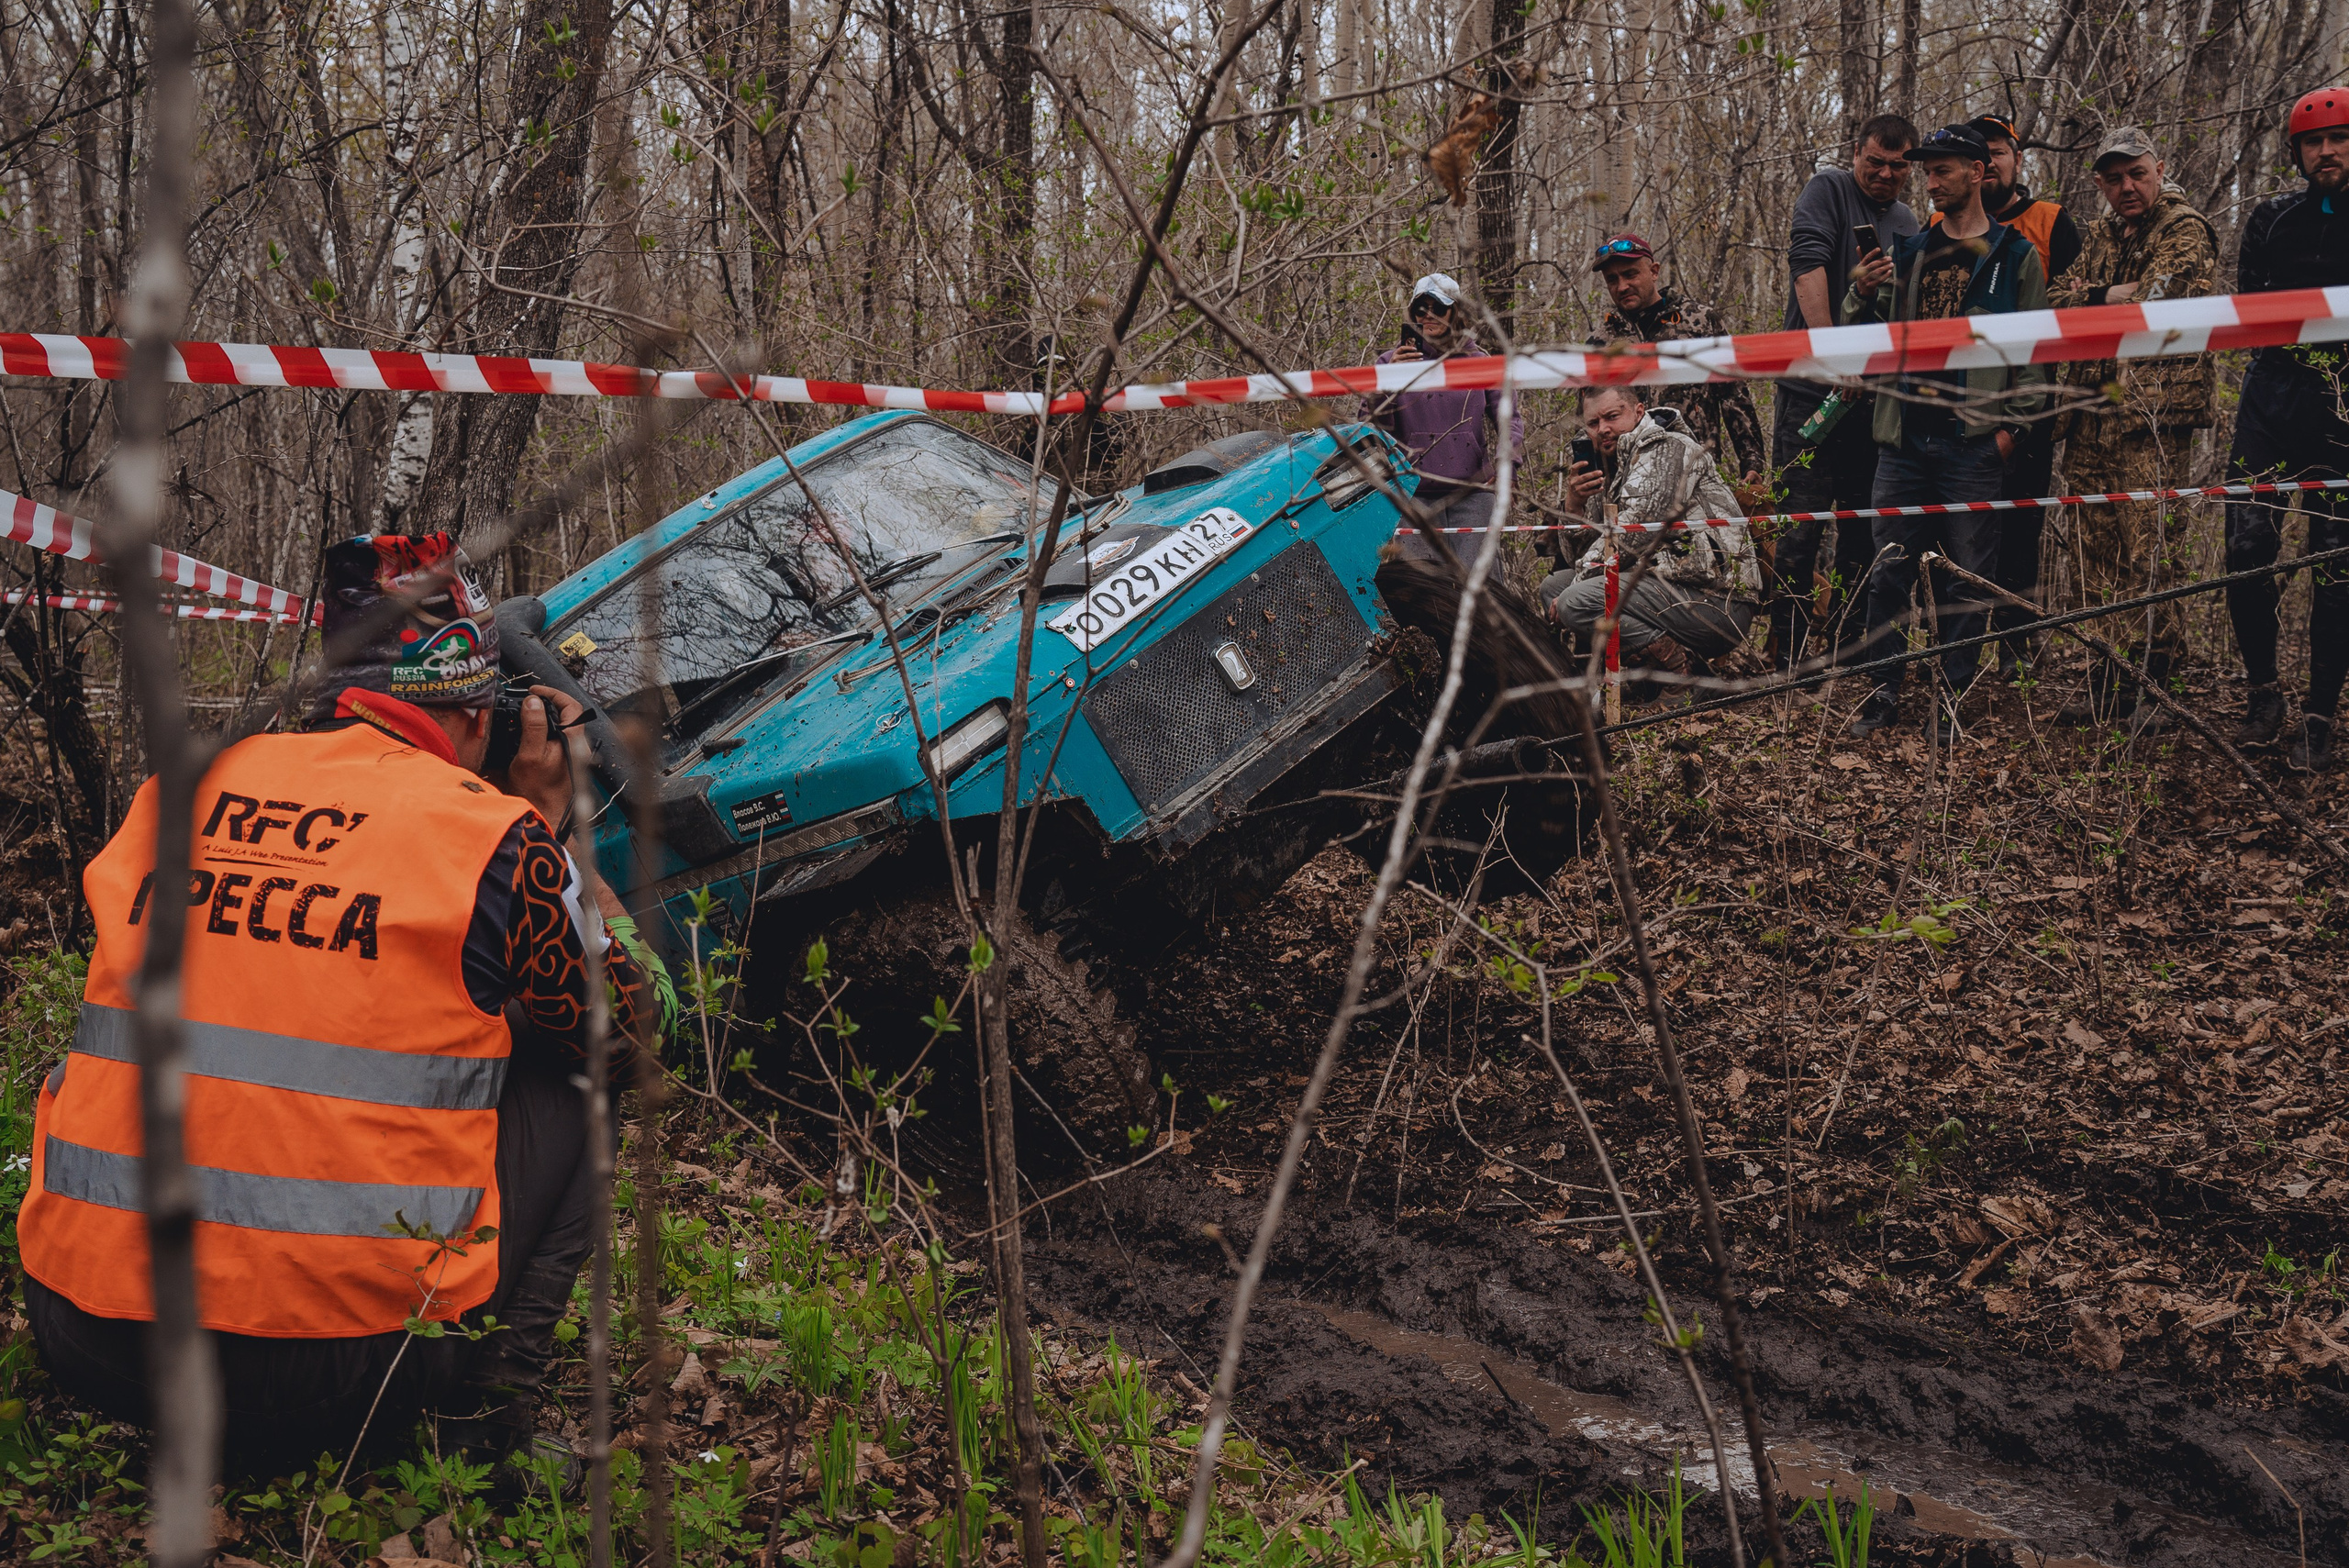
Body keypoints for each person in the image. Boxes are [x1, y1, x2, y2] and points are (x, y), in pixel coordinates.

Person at [19, 533, 670, 1479]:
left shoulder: (178, 788)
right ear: (477, 714)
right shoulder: (493, 838)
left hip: (84, 1337)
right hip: (321, 1372)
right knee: (580, 1071)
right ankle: (485, 1425)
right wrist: (551, 828)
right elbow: (628, 1027)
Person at [1842, 122, 2051, 738]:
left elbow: (2036, 357)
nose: (1929, 179)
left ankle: (1953, 701)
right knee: (1889, 571)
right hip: (1904, 441)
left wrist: (2011, 431)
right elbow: (1865, 333)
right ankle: (1883, 692)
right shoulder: (1909, 251)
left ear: (1979, 172)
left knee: (1964, 579)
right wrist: (1862, 291)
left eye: (1941, 168)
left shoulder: (2016, 256)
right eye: (1925, 169)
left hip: (1972, 445)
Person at [2047, 126, 2217, 733]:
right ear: (2099, 183)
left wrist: (2099, 297)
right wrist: (2106, 292)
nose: (2127, 187)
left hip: (2151, 415)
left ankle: (2161, 681)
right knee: (2096, 553)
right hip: (2090, 410)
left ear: (2159, 168)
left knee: (2150, 551)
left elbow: (2157, 302)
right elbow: (2054, 300)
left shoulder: (2183, 227)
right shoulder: (2097, 234)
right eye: (2114, 178)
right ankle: (2110, 674)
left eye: (2137, 173)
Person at [2224, 86, 2349, 771]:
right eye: (2313, 142)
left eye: (2338, 139)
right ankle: (2263, 691)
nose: (2325, 151)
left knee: (2336, 566)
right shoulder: (2272, 217)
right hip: (2271, 399)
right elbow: (2249, 308)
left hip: (2344, 407)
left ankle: (2321, 712)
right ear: (2296, 151)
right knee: (2244, 549)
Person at [1769, 113, 1921, 670]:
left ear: (1911, 168)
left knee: (1861, 528)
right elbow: (1807, 265)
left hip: (1872, 408)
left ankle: (1846, 648)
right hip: (1812, 395)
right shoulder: (1828, 188)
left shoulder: (1906, 219)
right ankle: (1785, 653)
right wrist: (1833, 358)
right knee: (1799, 527)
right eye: (1875, 161)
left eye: (1898, 165)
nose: (1884, 173)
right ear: (1856, 153)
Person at [1542, 384, 1764, 679]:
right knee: (1554, 587)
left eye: (1612, 416)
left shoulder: (1668, 449)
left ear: (1638, 411)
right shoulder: (1607, 467)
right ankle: (1650, 675)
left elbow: (1633, 537)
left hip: (1715, 600)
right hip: (1664, 587)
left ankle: (1686, 675)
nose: (1603, 429)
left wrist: (1575, 591)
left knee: (1574, 600)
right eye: (1594, 423)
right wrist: (1574, 507)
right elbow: (1581, 558)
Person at [1967, 113, 2085, 672]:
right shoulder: (1940, 226)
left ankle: (2016, 645)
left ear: (2017, 159)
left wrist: (2039, 412)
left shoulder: (2052, 221)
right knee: (1959, 528)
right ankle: (1955, 649)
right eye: (1980, 155)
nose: (1990, 164)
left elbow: (2076, 311)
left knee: (2020, 528)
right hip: (1958, 408)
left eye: (1999, 152)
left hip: (2031, 403)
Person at [1368, 272, 1525, 559]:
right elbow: (1373, 430)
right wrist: (1389, 381)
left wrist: (1507, 467)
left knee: (1480, 585)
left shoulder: (1480, 363)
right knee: (1426, 592)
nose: (1429, 316)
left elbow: (1509, 419)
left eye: (1438, 308)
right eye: (1421, 309)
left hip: (1473, 493)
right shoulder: (1389, 363)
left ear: (1456, 312)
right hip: (1413, 494)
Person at [1587, 232, 1766, 482]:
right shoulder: (1601, 342)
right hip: (1627, 480)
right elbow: (1588, 421)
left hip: (1694, 473)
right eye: (1612, 280)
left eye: (1630, 274)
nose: (1622, 286)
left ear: (1654, 270)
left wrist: (1752, 462)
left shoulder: (1700, 323)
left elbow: (1734, 397)